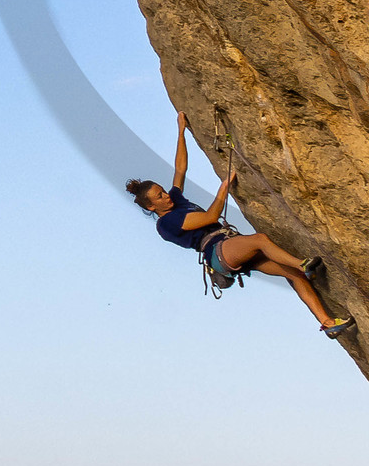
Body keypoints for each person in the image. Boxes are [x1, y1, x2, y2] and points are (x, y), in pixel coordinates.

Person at [127, 112, 354, 340]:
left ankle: (327, 322)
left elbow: (180, 169)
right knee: (260, 240)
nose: (166, 195)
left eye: (163, 190)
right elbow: (209, 217)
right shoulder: (167, 223)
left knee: (294, 275)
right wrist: (223, 190)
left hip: (228, 245)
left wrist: (181, 131)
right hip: (217, 253)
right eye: (160, 196)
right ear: (151, 207)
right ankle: (304, 264)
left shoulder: (174, 200)